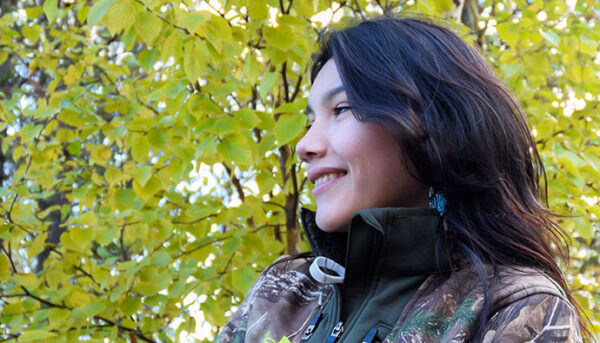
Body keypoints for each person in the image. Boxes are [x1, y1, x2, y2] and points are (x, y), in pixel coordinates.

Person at [217, 16, 587, 342]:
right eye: (311, 121)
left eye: (342, 109)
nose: (305, 145)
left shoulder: (518, 310)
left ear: (438, 129)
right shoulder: (282, 294)